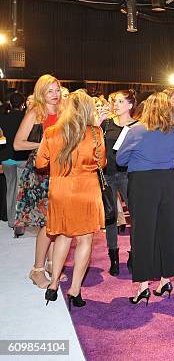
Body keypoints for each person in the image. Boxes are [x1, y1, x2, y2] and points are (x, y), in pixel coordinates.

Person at [116, 92, 174, 305]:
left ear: (146, 109)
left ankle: (143, 286)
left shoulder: (135, 131)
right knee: (168, 230)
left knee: (142, 233)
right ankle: (166, 280)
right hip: (167, 182)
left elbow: (120, 159)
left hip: (142, 184)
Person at [35, 90, 106, 310]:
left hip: (61, 191)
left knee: (63, 237)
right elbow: (101, 163)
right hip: (86, 191)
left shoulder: (52, 132)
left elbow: (39, 164)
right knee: (85, 240)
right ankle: (75, 289)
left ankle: (54, 284)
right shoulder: (95, 133)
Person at [13, 74, 62, 288]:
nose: (54, 94)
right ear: (41, 93)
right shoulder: (36, 112)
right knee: (49, 223)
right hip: (40, 174)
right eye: (49, 91)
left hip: (61, 171)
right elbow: (17, 144)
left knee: (58, 222)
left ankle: (51, 264)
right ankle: (37, 269)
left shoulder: (64, 112)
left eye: (57, 90)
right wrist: (42, 144)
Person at [101, 89, 137, 276]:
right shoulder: (106, 123)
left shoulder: (138, 126)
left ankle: (134, 255)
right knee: (110, 218)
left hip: (128, 175)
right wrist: (97, 123)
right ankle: (113, 258)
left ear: (130, 105)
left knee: (135, 217)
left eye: (120, 101)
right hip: (107, 175)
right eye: (115, 101)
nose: (116, 104)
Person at [0, 92, 29, 230]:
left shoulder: (2, 117)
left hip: (7, 158)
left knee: (10, 188)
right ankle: (20, 221)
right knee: (21, 190)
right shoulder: (26, 118)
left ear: (10, 103)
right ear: (23, 104)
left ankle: (11, 221)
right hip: (22, 157)